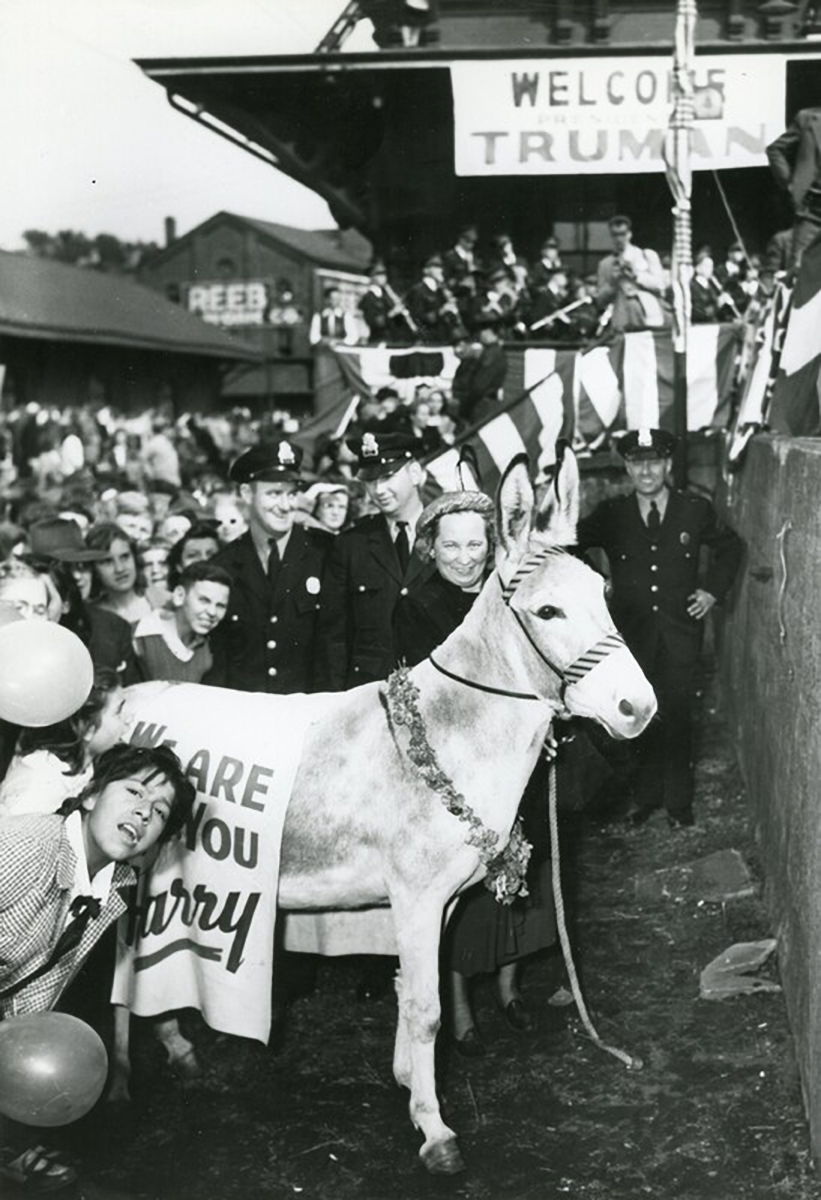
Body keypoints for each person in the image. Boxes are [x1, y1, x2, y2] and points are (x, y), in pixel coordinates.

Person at [394, 491, 557, 1056]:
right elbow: (419, 695)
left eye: (475, 544)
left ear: (492, 546)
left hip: (517, 754)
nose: (465, 557)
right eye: (451, 545)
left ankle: (510, 987)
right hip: (460, 764)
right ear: (430, 548)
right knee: (462, 881)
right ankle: (459, 1002)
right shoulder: (417, 603)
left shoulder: (511, 591)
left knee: (520, 870)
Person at [0, 744, 194, 1191]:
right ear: (89, 794)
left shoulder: (113, 885)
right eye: (133, 792)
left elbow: (36, 991)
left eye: (160, 812)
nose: (145, 813)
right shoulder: (26, 846)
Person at [577, 428, 742, 828]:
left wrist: (711, 593)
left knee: (679, 715)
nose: (646, 470)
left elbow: (731, 547)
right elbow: (571, 543)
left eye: (654, 461)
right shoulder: (612, 514)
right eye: (638, 462)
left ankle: (679, 804)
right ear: (627, 467)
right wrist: (598, 580)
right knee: (638, 718)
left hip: (680, 635)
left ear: (667, 465)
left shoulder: (693, 509)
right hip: (632, 638)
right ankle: (645, 799)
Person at [207, 439, 332, 694]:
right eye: (274, 494)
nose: (286, 506)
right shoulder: (224, 565)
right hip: (247, 714)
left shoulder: (326, 553)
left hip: (308, 713)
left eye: (291, 494)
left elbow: (335, 647)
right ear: (246, 494)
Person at [316, 432, 434, 691]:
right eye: (370, 480)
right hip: (370, 696)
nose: (378, 490)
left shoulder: (448, 535)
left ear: (415, 473)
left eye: (387, 477)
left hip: (437, 689)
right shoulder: (351, 545)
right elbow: (333, 636)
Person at [0, 670, 129, 817]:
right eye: (119, 711)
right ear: (87, 728)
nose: (129, 718)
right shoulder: (37, 788)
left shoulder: (85, 766)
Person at [134, 561, 232, 684]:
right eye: (204, 600)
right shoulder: (139, 637)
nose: (212, 612)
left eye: (221, 605)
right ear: (180, 596)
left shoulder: (210, 647)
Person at [766, 107, 821, 270]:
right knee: (800, 270)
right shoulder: (808, 118)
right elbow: (775, 149)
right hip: (811, 211)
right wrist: (791, 184)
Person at [596, 215, 669, 332]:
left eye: (622, 234)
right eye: (615, 235)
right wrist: (614, 283)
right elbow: (600, 300)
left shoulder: (645, 256)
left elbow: (660, 285)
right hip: (621, 322)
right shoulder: (606, 264)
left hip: (647, 317)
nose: (619, 239)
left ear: (629, 234)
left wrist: (637, 276)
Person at [86, 522, 153, 630]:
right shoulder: (89, 619)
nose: (119, 569)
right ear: (93, 568)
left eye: (125, 557)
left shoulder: (165, 604)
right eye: (107, 562)